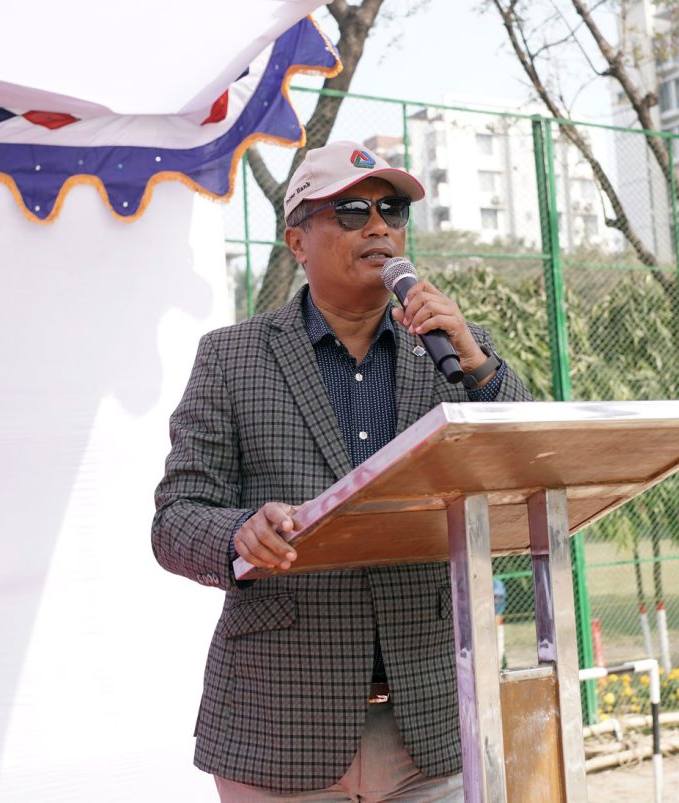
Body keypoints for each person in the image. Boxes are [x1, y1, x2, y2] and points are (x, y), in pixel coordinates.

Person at [152, 140, 532, 801]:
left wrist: (477, 363)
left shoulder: (454, 353)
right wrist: (240, 532)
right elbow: (176, 519)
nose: (379, 226)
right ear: (298, 242)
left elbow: (530, 464)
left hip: (433, 723)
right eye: (353, 211)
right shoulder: (231, 359)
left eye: (392, 210)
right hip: (278, 727)